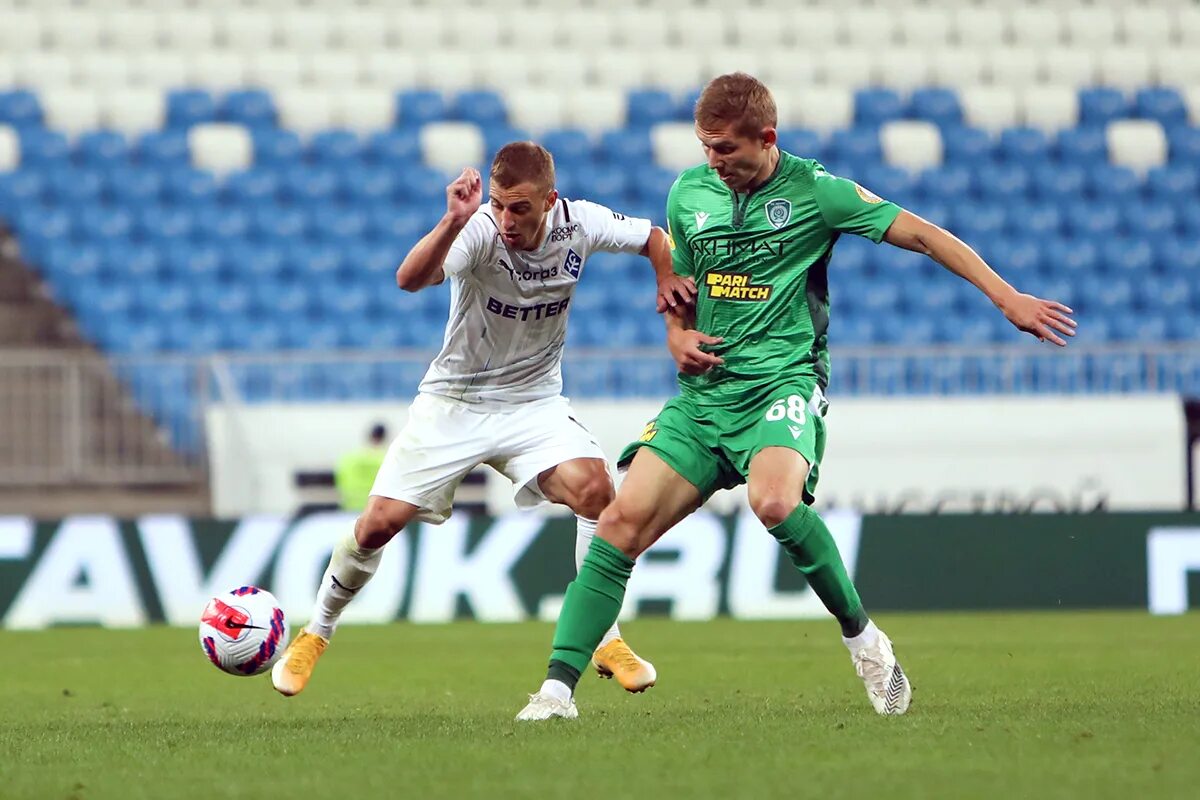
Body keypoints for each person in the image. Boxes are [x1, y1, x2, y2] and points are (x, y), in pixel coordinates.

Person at [516, 73, 1077, 721]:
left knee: (775, 502)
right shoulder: (689, 194)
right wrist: (676, 336)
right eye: (705, 147)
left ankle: (864, 640)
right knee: (616, 527)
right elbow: (682, 289)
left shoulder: (817, 192)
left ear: (767, 138)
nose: (713, 162)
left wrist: (1007, 297)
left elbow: (922, 234)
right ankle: (556, 692)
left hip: (784, 382)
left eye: (726, 148)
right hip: (705, 397)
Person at [271, 141, 696, 697]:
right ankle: (316, 632)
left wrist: (666, 280)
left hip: (532, 404)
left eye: (519, 207)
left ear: (551, 200)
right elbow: (409, 279)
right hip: (454, 404)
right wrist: (454, 219)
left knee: (596, 488)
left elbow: (654, 238)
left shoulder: (581, 223)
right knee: (377, 524)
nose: (507, 218)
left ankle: (604, 636)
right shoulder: (478, 231)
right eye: (498, 204)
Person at [333, 423, 389, 512]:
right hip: (377, 510)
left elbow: (339, 481)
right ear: (384, 437)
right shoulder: (388, 459)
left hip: (350, 507)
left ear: (369, 436)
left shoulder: (348, 458)